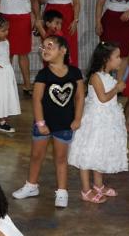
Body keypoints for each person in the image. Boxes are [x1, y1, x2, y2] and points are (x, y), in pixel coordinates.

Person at [13, 36, 84, 208]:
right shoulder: (43, 75)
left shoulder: (75, 73)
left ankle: (62, 191)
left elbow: (80, 96)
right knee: (37, 156)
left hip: (65, 124)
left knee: (60, 158)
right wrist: (40, 123)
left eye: (50, 46)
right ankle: (31, 185)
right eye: (43, 47)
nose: (45, 50)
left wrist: (77, 118)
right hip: (44, 124)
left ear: (63, 50)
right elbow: (36, 99)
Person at [68, 42, 128, 204]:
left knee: (99, 153)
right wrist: (117, 89)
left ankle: (98, 185)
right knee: (89, 154)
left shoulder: (109, 76)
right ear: (106, 59)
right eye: (117, 56)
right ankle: (86, 190)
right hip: (95, 121)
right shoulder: (95, 77)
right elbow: (102, 98)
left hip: (106, 121)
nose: (120, 60)